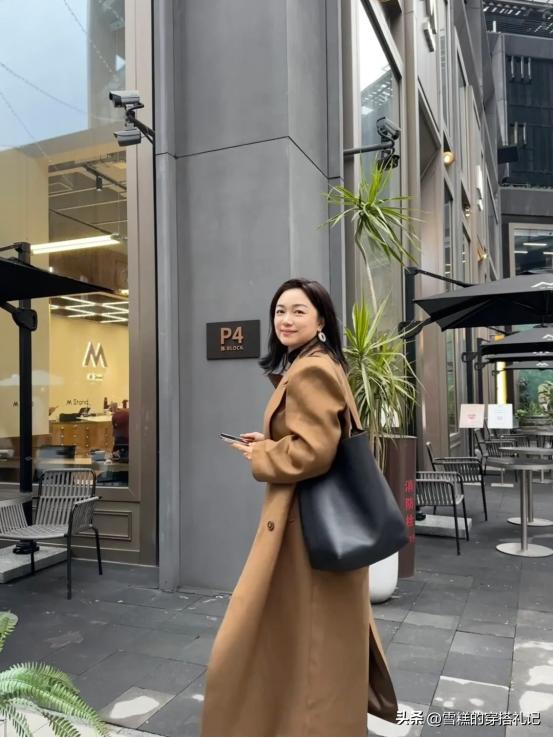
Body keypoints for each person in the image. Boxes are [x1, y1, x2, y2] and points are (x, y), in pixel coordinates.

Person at [201, 278, 398, 737]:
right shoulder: (320, 363)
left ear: (321, 319)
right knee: (317, 641)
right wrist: (272, 440)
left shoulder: (311, 369)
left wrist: (263, 453)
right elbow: (315, 436)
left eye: (298, 311)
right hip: (319, 527)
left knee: (284, 640)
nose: (285, 320)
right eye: (279, 311)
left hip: (306, 530)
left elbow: (314, 452)